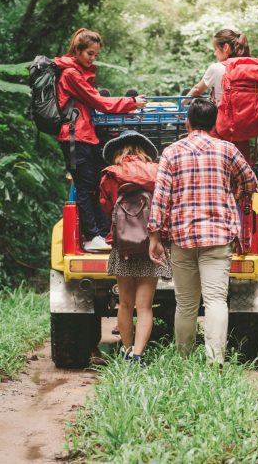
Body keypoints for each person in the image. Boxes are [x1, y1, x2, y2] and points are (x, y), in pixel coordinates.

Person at [148, 98, 257, 366]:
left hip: (182, 238)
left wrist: (154, 236)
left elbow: (161, 197)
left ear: (187, 123)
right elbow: (251, 181)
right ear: (215, 123)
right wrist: (237, 189)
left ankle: (184, 360)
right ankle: (215, 360)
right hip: (219, 236)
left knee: (185, 303)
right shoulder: (227, 150)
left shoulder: (172, 152)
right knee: (216, 300)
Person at [55, 28, 146, 251]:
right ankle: (91, 236)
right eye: (89, 53)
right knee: (85, 187)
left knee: (96, 183)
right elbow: (99, 101)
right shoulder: (71, 75)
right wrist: (131, 102)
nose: (93, 58)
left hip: (86, 136)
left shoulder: (78, 72)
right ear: (77, 50)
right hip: (75, 137)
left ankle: (101, 232)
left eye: (96, 55)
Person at [99, 130, 172, 365]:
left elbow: (105, 206)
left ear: (119, 151)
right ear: (143, 151)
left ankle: (127, 350)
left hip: (123, 246)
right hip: (151, 244)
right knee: (145, 306)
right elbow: (164, 205)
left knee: (125, 304)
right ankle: (138, 355)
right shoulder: (156, 171)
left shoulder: (111, 174)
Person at [184, 28, 253, 163]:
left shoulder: (217, 68)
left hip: (222, 128)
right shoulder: (249, 69)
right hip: (245, 128)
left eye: (215, 49)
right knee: (242, 165)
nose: (215, 53)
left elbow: (198, 89)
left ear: (225, 47)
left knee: (217, 165)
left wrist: (181, 103)